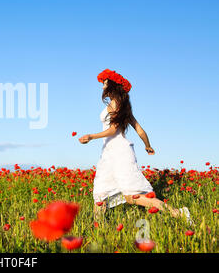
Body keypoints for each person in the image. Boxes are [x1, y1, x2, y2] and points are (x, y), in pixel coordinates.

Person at [78, 69, 191, 224]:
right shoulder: (123, 106)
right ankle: (98, 230)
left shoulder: (115, 104)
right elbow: (140, 130)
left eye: (105, 82)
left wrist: (91, 136)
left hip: (119, 152)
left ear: (112, 85)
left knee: (132, 197)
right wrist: (147, 145)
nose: (102, 85)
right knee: (100, 194)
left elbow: (113, 130)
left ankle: (178, 213)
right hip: (110, 153)